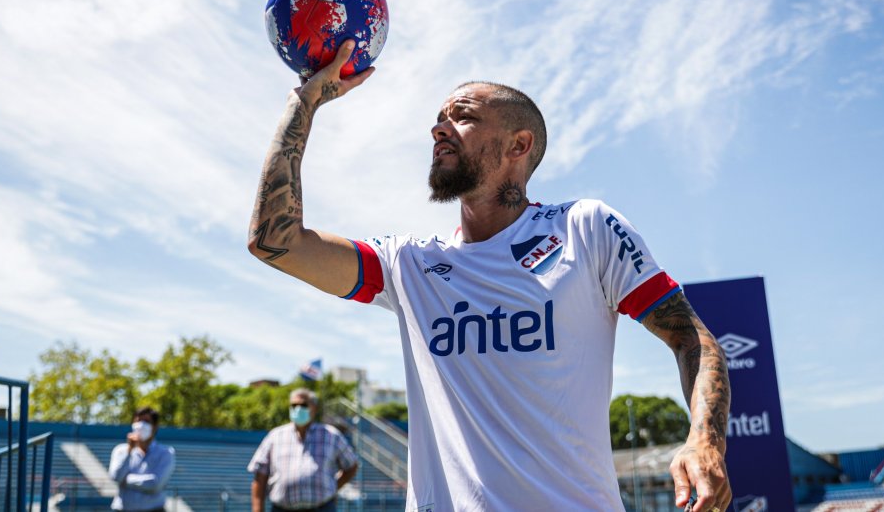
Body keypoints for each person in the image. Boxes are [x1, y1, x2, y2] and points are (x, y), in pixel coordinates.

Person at [247, 41, 732, 512]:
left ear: (519, 145)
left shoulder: (585, 228)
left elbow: (692, 337)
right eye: (438, 120)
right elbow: (277, 241)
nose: (439, 129)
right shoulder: (407, 264)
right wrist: (303, 101)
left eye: (462, 117)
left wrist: (704, 441)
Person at [248, 388, 359, 512]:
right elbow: (260, 476)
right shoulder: (275, 436)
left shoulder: (331, 435)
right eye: (294, 405)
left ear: (314, 408)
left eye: (303, 405)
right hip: (282, 508)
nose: (298, 409)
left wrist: (334, 486)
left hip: (322, 507)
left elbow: (351, 465)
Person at [107, 407, 176, 512]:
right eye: (138, 421)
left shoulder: (166, 453)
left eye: (147, 421)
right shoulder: (120, 450)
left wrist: (126, 480)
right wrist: (129, 451)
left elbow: (155, 484)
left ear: (155, 427)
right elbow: (115, 477)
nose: (141, 425)